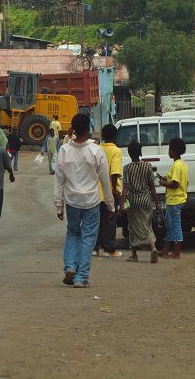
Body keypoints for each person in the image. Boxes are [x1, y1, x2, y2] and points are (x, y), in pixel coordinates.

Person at [54, 113, 114, 288]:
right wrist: (110, 205)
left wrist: (59, 205)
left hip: (72, 201)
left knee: (73, 233)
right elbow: (105, 181)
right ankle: (81, 277)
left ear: (73, 129)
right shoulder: (96, 151)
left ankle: (70, 267)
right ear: (88, 129)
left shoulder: (64, 150)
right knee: (88, 237)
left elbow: (59, 180)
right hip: (91, 202)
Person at [119, 140, 160, 263]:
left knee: (132, 226)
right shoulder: (147, 166)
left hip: (133, 201)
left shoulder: (127, 168)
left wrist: (121, 204)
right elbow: (152, 186)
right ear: (140, 152)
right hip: (146, 200)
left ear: (129, 153)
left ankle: (134, 254)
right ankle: (153, 247)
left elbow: (126, 188)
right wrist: (157, 202)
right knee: (147, 225)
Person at [95, 124, 123, 258]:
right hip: (110, 192)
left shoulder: (97, 149)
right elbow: (115, 173)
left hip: (96, 192)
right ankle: (109, 249)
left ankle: (95, 248)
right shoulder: (116, 151)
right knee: (110, 221)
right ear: (115, 136)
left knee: (98, 221)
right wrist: (114, 190)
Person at [158, 138, 188, 259]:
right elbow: (178, 181)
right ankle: (165, 250)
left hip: (175, 200)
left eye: (170, 149)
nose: (168, 151)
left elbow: (175, 184)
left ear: (174, 151)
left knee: (175, 226)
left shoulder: (176, 166)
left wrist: (164, 183)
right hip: (177, 199)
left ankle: (176, 252)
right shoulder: (182, 164)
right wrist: (167, 180)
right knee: (170, 226)